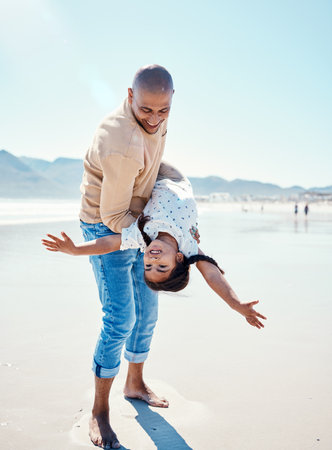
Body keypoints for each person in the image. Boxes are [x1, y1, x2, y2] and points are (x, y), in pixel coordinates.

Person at [74, 65, 175, 449]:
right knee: (121, 318)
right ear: (129, 96)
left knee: (147, 309)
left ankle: (134, 384)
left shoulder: (157, 116)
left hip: (138, 219)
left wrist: (178, 208)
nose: (154, 119)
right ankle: (99, 411)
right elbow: (113, 218)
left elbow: (155, 165)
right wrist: (162, 231)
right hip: (105, 226)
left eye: (163, 110)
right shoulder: (120, 142)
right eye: (146, 110)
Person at [43, 171, 266, 322]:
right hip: (178, 177)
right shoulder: (188, 245)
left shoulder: (143, 235)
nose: (152, 261)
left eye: (148, 266)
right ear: (179, 259)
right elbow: (211, 275)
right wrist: (235, 304)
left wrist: (75, 250)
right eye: (161, 267)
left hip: (154, 174)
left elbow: (110, 243)